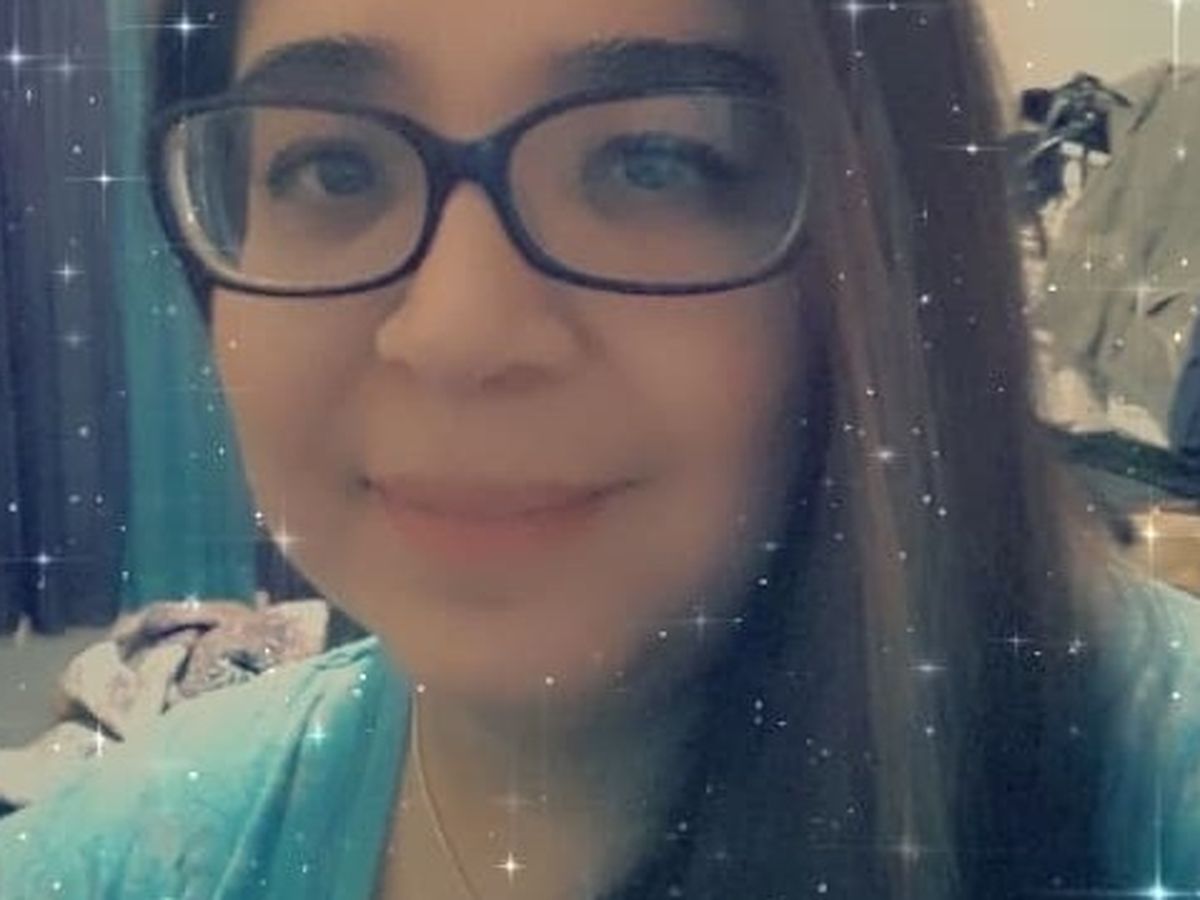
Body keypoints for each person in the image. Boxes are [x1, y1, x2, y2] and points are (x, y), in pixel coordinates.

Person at [3, 0, 1200, 898]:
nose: (456, 335)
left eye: (653, 162)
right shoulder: (122, 853)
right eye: (334, 166)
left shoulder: (1155, 797)